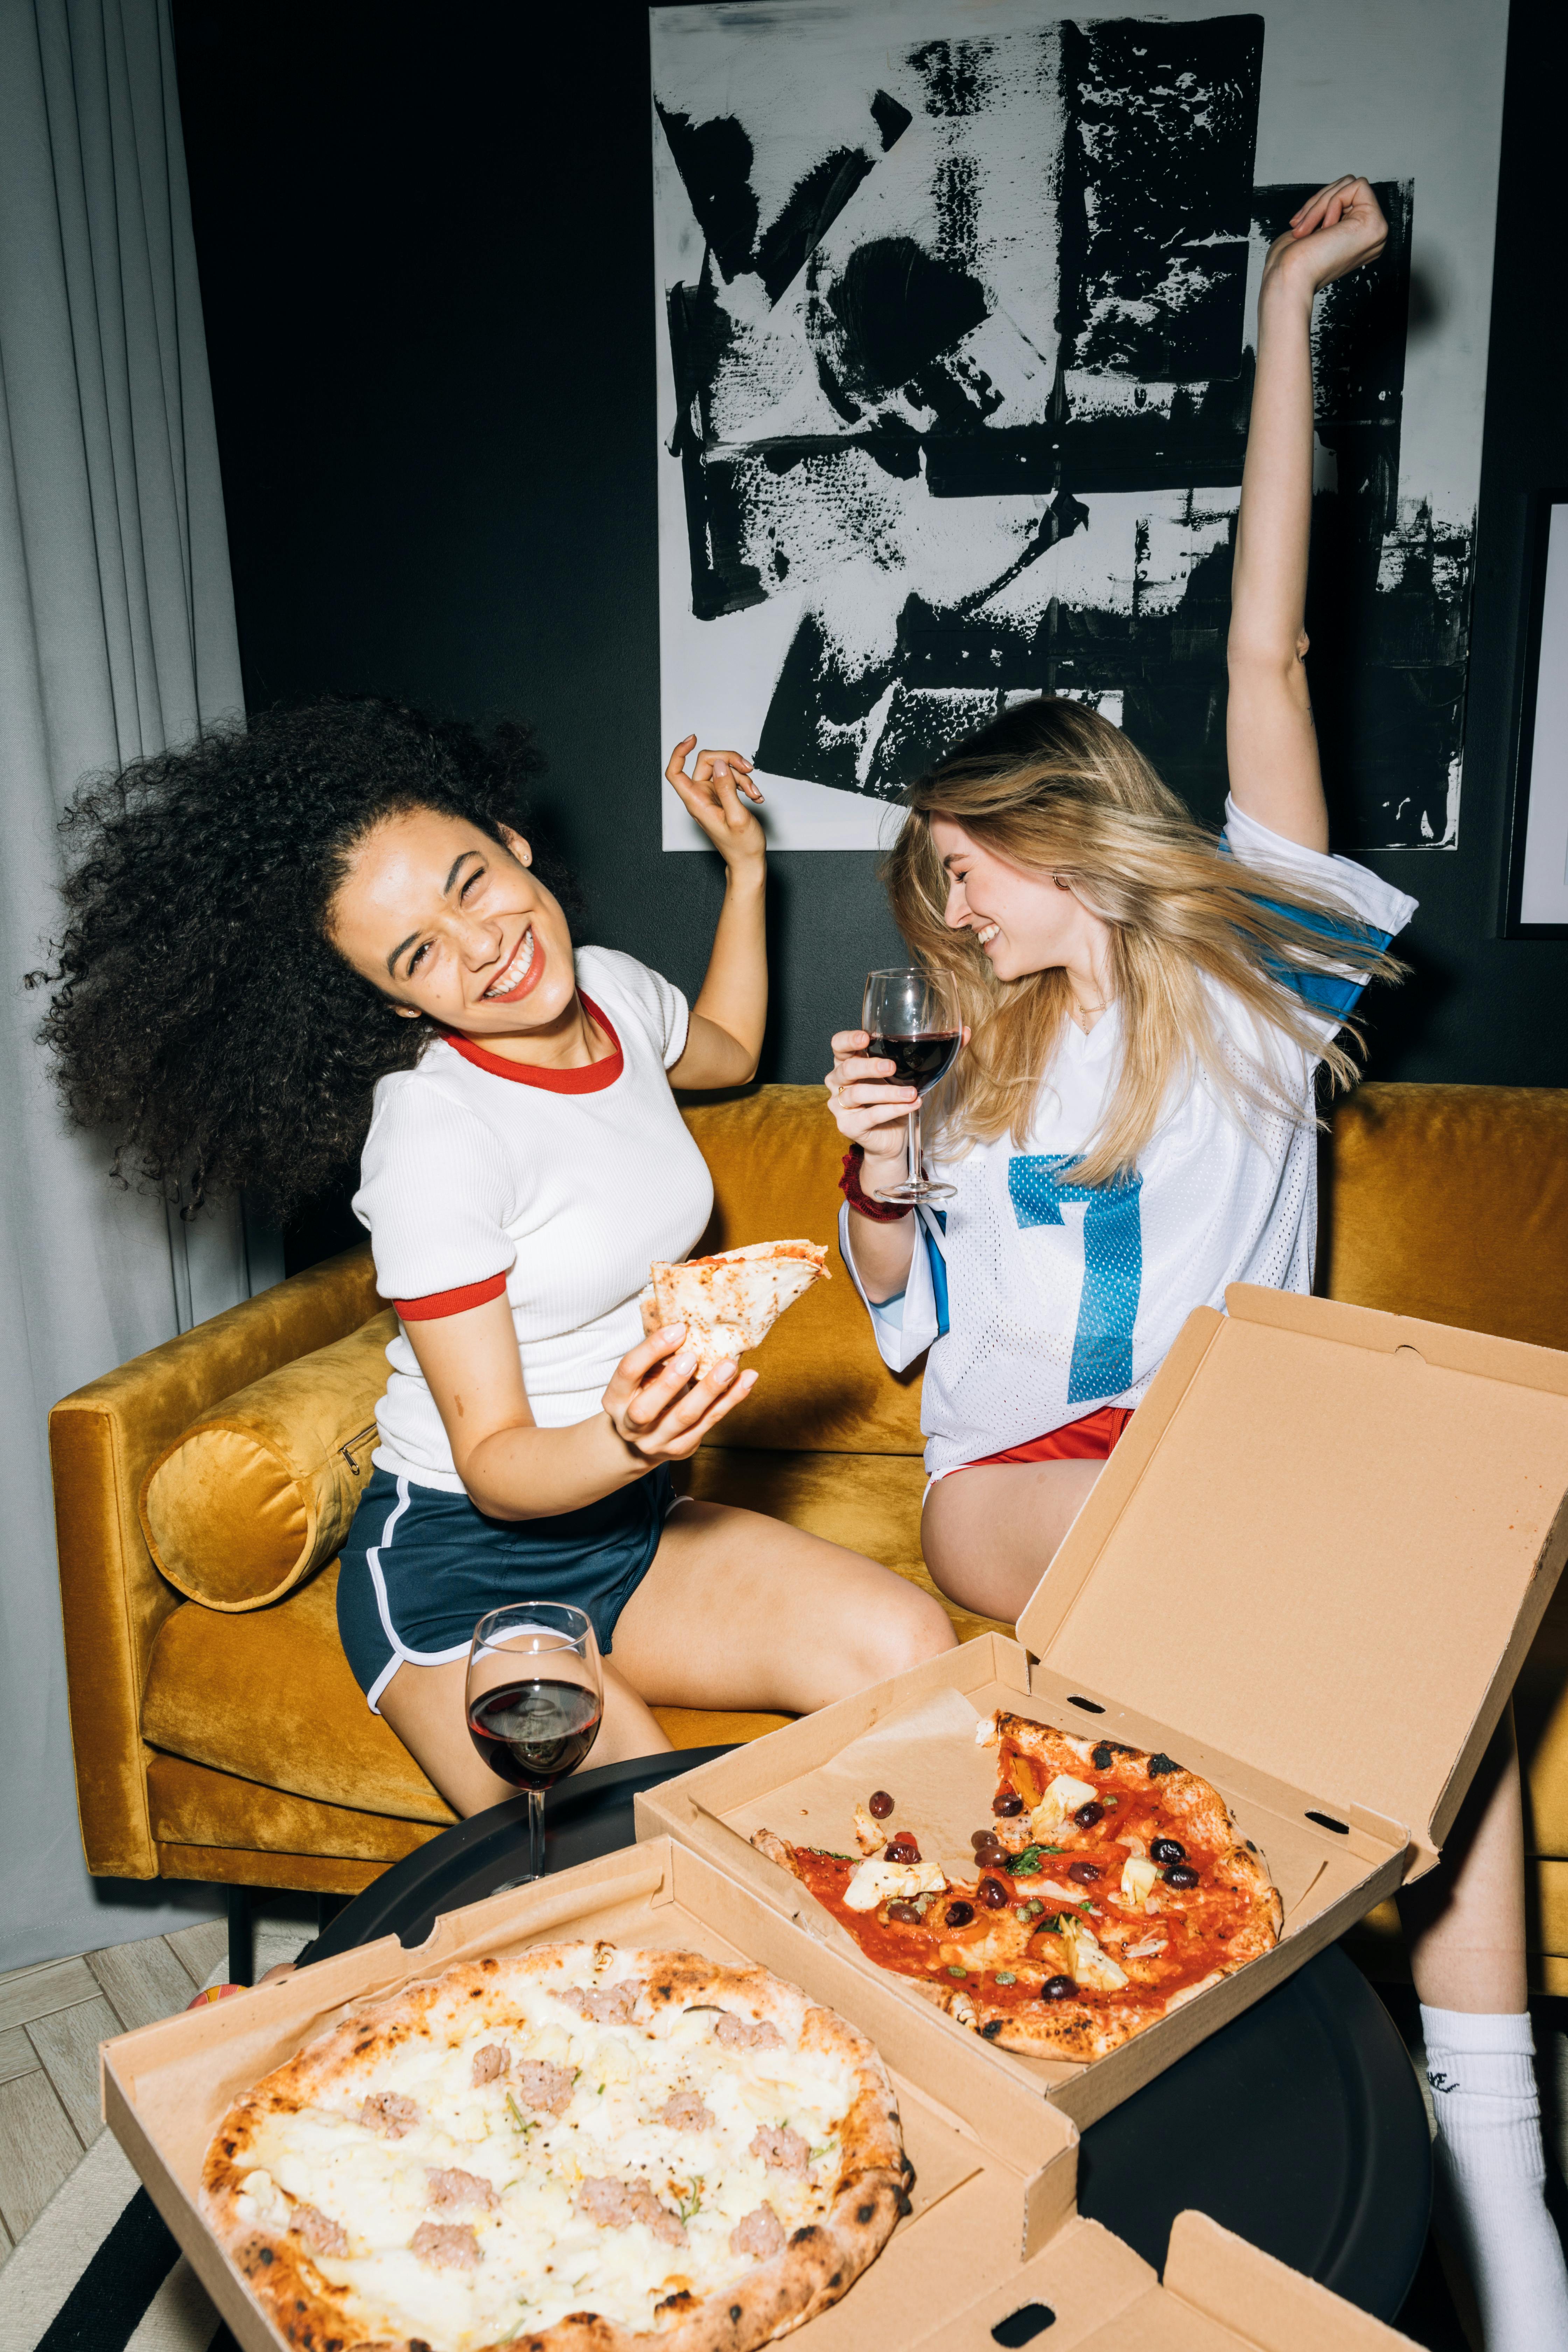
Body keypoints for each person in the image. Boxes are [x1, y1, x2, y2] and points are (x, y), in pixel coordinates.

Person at [823, 177, 1568, 2351]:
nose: (958, 915)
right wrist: (875, 1185)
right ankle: (1253, 2128)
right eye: (938, 887)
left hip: (1245, 1451)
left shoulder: (1262, 997)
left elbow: (1270, 645)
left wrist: (1288, 323)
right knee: (1256, 1611)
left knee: (1449, 1678)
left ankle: (1500, 2190)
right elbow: (911, 1332)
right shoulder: (951, 1074)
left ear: (1073, 831)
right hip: (1024, 1471)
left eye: (981, 868)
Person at [38, 697, 955, 1820]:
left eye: (468, 881)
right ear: (385, 996)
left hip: (631, 1527)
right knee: (641, 1857)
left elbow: (720, 1051)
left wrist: (750, 872)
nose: (485, 949)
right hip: (468, 1568)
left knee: (909, 1647)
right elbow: (497, 1465)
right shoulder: (436, 1134)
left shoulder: (610, 987)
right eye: (419, 952)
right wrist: (625, 1434)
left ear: (510, 842)